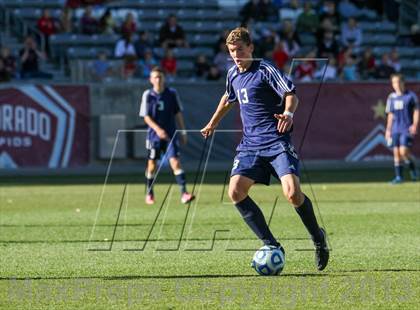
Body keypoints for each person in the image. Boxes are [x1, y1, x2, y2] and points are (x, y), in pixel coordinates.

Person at [200, 27, 329, 271]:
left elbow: (291, 94)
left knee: (292, 194)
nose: (236, 55)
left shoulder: (265, 70)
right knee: (236, 192)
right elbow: (228, 99)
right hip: (250, 146)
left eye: (239, 50)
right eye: (231, 51)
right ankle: (271, 244)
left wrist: (289, 113)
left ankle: (318, 239)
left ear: (250, 48)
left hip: (276, 142)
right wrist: (212, 123)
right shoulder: (232, 75)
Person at [139, 67, 195, 205]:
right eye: (155, 77)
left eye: (160, 77)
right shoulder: (147, 95)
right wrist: (158, 130)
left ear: (164, 78)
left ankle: (184, 194)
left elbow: (178, 113)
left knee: (175, 162)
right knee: (152, 165)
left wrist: (183, 132)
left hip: (171, 135)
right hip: (153, 136)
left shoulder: (171, 93)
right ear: (151, 80)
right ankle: (149, 193)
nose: (158, 79)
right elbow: (146, 117)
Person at [385, 73, 419, 183]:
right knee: (396, 153)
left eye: (398, 82)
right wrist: (388, 130)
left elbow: (416, 111)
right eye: (394, 82)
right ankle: (399, 177)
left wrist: (414, 125)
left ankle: (413, 168)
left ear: (403, 82)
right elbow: (390, 114)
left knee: (403, 152)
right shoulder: (391, 97)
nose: (396, 84)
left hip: (406, 128)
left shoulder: (411, 96)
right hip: (395, 128)